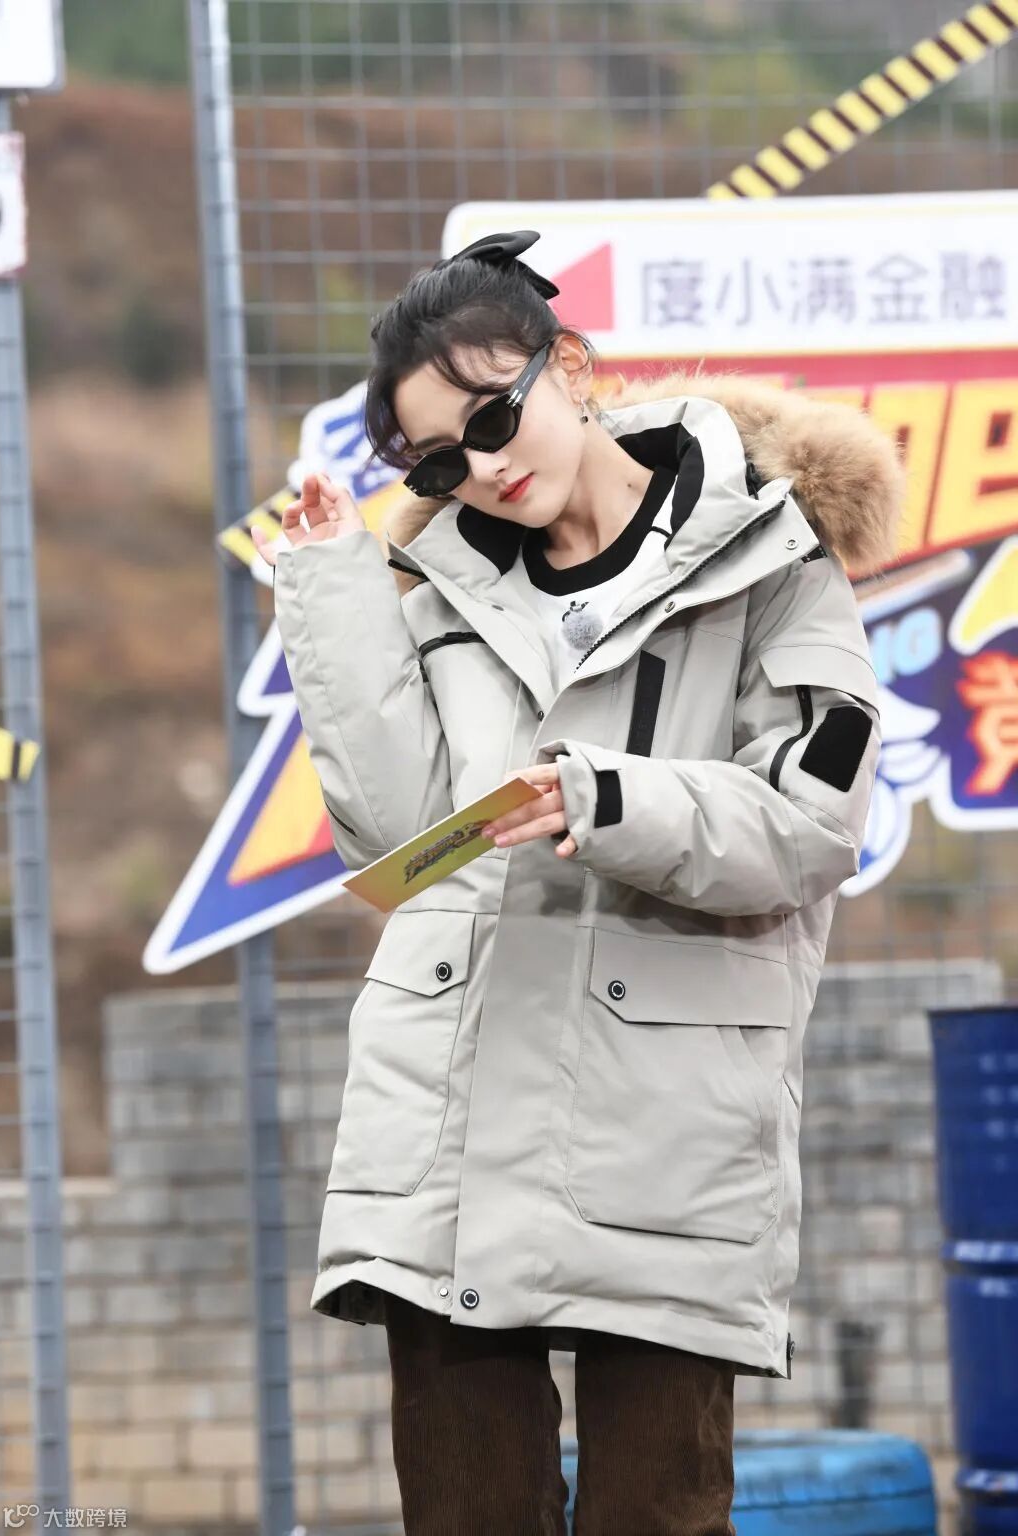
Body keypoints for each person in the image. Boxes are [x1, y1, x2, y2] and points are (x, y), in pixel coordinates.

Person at [253, 230, 906, 1536]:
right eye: (441, 463)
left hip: (668, 1137)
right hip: (451, 1130)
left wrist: (607, 801)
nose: (484, 469)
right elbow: (402, 836)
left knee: (656, 1515)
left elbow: (808, 827)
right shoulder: (438, 585)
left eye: (494, 417)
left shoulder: (774, 562)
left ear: (572, 366)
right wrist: (332, 595)